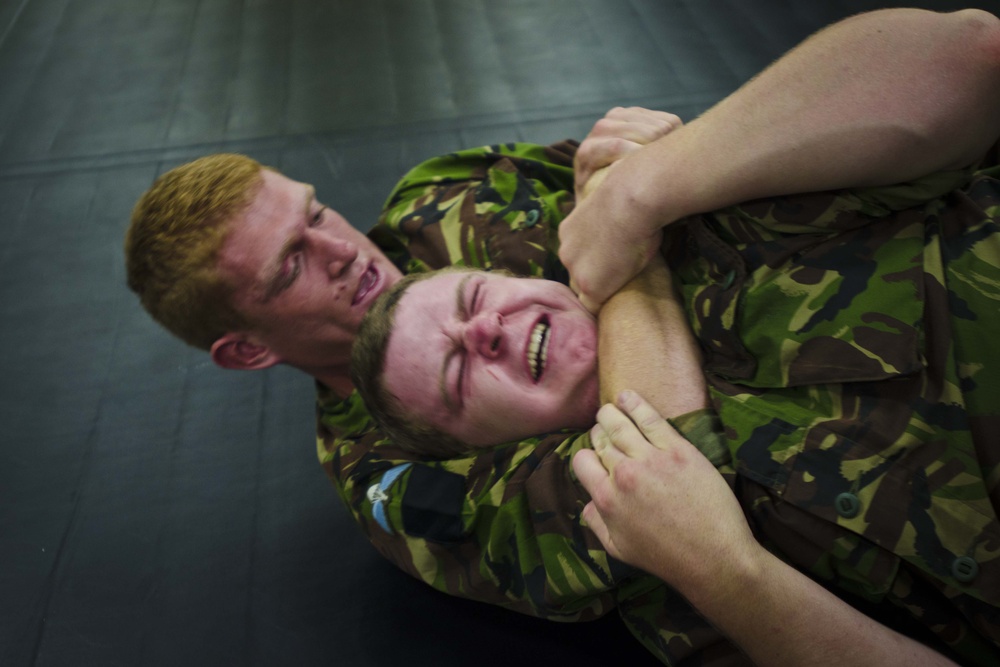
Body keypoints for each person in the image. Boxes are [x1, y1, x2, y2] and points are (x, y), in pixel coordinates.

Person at [123, 7, 1000, 665]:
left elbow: (633, 168)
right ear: (248, 348)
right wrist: (621, 243)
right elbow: (657, 476)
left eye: (316, 213)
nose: (343, 251)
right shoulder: (390, 472)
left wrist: (645, 183)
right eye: (290, 266)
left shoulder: (436, 194)